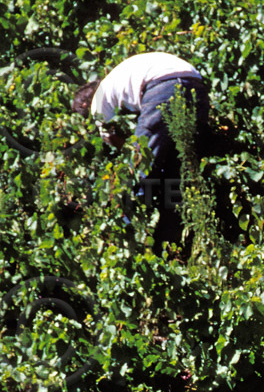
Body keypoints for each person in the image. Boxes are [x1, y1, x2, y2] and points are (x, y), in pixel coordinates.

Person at [72, 52, 211, 248]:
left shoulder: (98, 102)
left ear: (85, 105)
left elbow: (117, 141)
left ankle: (128, 243)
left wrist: (134, 153)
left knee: (138, 173)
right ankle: (173, 243)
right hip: (196, 84)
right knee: (177, 175)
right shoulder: (116, 80)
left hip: (164, 86)